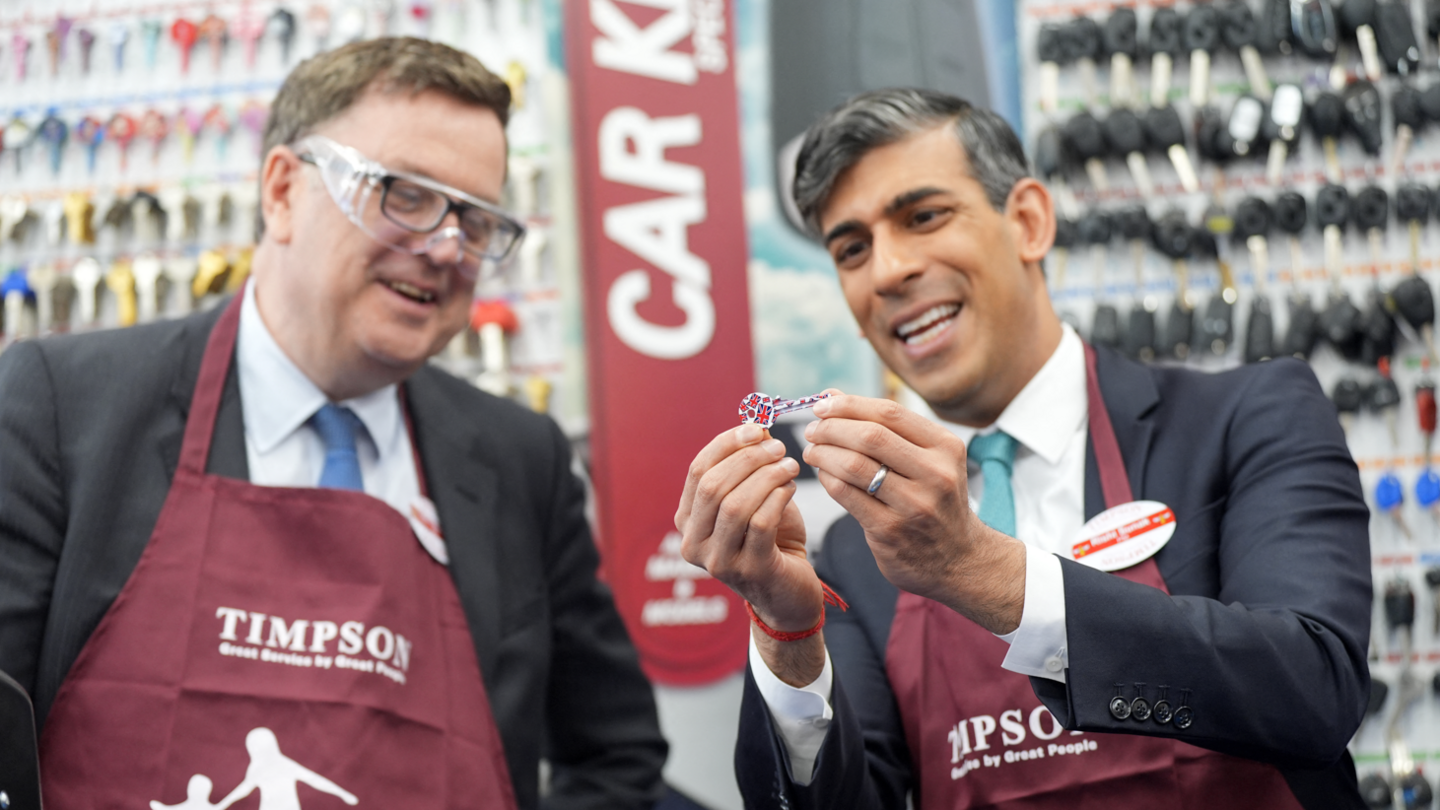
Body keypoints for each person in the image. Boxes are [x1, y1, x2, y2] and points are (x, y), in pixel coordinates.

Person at [0, 37, 665, 809]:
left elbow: (617, 755)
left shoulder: (522, 461)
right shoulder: (63, 409)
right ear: (282, 191)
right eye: (405, 195)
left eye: (476, 221)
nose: (446, 247)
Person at [675, 88, 1371, 809]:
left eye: (924, 217)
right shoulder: (858, 553)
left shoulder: (1244, 421)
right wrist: (788, 634)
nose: (887, 271)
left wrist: (976, 569)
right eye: (852, 249)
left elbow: (1313, 690)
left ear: (1030, 222)